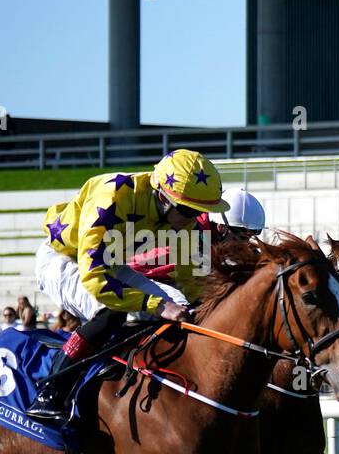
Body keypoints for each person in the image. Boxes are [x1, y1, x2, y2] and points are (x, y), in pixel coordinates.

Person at [27, 148, 227, 422]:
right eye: (188, 210)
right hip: (65, 259)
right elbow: (95, 278)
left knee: (182, 306)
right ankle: (51, 391)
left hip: (110, 263)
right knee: (111, 308)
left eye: (199, 212)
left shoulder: (184, 220)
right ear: (163, 196)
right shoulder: (113, 197)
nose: (193, 218)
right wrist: (156, 305)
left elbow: (191, 280)